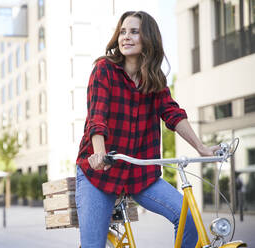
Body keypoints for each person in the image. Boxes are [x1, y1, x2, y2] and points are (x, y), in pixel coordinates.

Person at [75, 11, 219, 248]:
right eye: (122, 32)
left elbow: (173, 114)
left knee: (190, 218)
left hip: (140, 174)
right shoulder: (104, 70)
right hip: (100, 173)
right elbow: (96, 117)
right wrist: (99, 153)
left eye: (134, 32)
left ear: (148, 39)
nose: (126, 37)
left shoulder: (155, 78)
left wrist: (201, 147)